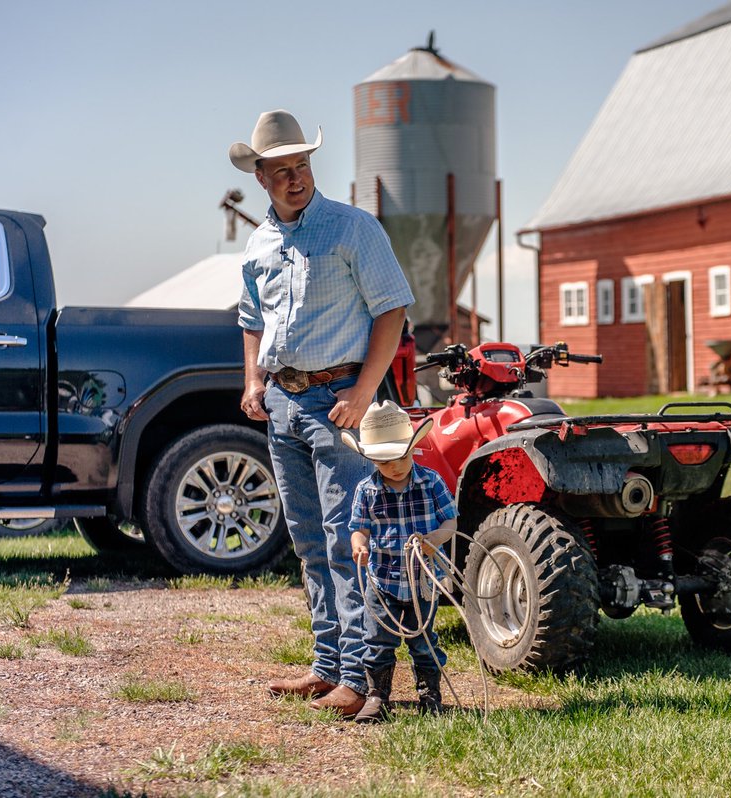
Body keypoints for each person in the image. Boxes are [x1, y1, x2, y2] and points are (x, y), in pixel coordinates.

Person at [230, 109, 414, 717]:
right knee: (309, 540)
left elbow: (392, 311)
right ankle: (327, 666)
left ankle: (362, 678)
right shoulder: (258, 243)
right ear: (260, 176)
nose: (295, 179)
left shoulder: (353, 228)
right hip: (283, 403)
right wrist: (253, 378)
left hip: (338, 403)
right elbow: (252, 321)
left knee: (348, 538)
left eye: (302, 166)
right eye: (281, 171)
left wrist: (363, 392)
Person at [343, 401, 457, 723]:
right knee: (378, 640)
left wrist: (434, 540)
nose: (395, 467)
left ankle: (430, 695)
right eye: (385, 462)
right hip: (382, 581)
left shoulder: (432, 482)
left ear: (413, 449)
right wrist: (359, 546)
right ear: (372, 460)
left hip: (422, 580)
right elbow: (359, 529)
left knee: (424, 640)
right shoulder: (366, 491)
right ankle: (378, 696)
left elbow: (451, 523)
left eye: (402, 458)